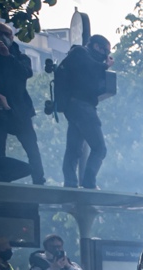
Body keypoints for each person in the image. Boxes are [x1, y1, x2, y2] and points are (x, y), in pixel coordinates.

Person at [0, 23, 44, 184]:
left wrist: (7, 55)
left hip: (19, 110)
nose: (2, 37)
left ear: (12, 36)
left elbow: (26, 73)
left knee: (31, 147)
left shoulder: (21, 56)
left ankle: (39, 179)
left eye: (6, 34)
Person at [56, 34, 112, 189]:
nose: (106, 56)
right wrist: (105, 66)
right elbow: (90, 67)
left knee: (74, 149)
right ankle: (88, 183)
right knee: (100, 148)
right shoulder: (80, 52)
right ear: (96, 46)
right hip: (82, 107)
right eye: (105, 51)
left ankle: (70, 183)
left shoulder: (82, 57)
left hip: (75, 107)